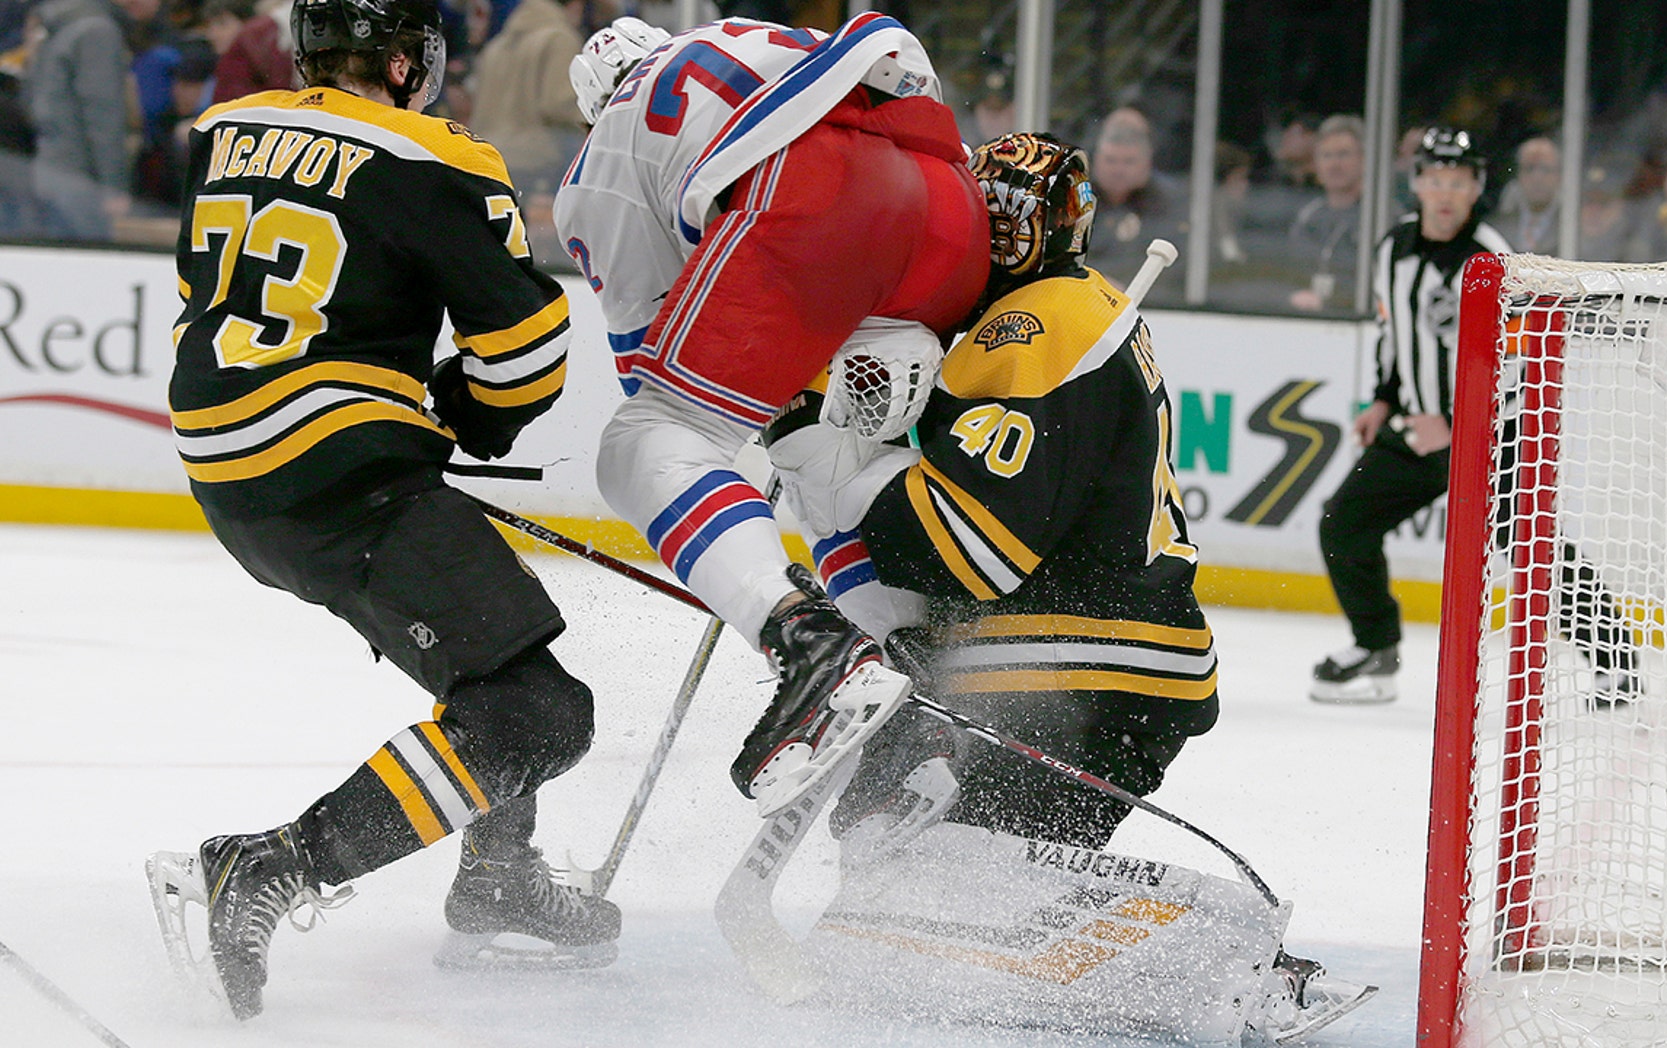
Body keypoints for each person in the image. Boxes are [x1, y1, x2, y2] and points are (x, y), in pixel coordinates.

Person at [759, 130, 1371, 1042]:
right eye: (985, 217)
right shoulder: (1063, 307)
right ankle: (1242, 971)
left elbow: (970, 548)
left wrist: (832, 464)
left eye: (1006, 219)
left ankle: (1234, 965)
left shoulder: (1036, 321)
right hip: (1119, 663)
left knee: (892, 863)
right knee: (926, 893)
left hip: (1069, 665)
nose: (990, 238)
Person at [146, 0, 622, 1020]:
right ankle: (275, 863)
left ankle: (499, 872)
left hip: (229, 465)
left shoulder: (223, 130)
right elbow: (528, 349)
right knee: (538, 713)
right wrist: (458, 416)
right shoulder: (436, 155)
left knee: (498, 641)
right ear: (405, 61)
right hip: (335, 473)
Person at [555, 14, 989, 811]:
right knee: (822, 445)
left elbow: (658, 373)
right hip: (949, 212)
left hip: (821, 201)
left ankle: (812, 647)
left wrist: (713, 454)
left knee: (650, 441)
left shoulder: (604, 155)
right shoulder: (741, 35)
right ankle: (924, 670)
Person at [1312, 127, 1638, 705]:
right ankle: (1375, 646)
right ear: (1416, 184)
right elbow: (1396, 334)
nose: (1444, 193)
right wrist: (1384, 399)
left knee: (1529, 543)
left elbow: (1512, 358)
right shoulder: (1393, 248)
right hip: (1418, 430)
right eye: (1434, 180)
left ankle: (1616, 663)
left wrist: (1460, 420)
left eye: (1457, 182)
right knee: (1344, 526)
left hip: (1490, 433)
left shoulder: (1494, 258)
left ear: (1475, 187)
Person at [468, 0, 594, 266]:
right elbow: (558, 102)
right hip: (538, 162)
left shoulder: (497, 45)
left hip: (491, 160)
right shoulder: (559, 38)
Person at [27, 0, 129, 239]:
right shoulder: (97, 31)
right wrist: (113, 185)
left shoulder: (55, 28)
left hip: (45, 171)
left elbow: (30, 100)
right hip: (83, 181)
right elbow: (103, 114)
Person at [1087, 105, 1188, 304]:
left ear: (1146, 162)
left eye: (1128, 161)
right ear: (1096, 160)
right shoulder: (1074, 199)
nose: (1118, 170)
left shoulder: (1170, 202)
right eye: (1110, 160)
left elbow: (1179, 263)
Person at [1286, 114, 1364, 312]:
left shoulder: (1381, 216)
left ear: (1363, 160)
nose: (1334, 164)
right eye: (1327, 155)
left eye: (1344, 154)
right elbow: (1290, 273)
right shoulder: (1307, 216)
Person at [1493, 134, 1560, 256]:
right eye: (1530, 168)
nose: (1537, 178)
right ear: (1518, 174)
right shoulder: (1496, 227)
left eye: (1545, 169)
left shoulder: (1573, 228)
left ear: (1559, 175)